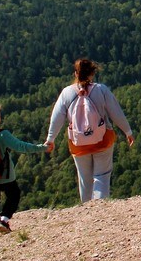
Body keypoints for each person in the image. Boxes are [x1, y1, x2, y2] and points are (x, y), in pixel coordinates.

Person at [46, 58, 135, 203]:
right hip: (103, 140)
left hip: (78, 143)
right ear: (92, 74)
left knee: (84, 179)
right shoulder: (101, 90)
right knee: (102, 176)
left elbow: (57, 118)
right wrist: (128, 131)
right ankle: (100, 208)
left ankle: (87, 211)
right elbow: (116, 112)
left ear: (75, 73)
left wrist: (50, 139)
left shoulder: (66, 93)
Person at [0, 102, 50, 236]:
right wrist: (42, 147)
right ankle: (3, 221)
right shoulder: (1, 134)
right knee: (14, 195)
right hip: (3, 175)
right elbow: (20, 146)